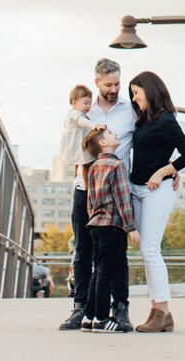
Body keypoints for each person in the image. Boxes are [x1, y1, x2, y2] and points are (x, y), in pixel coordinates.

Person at [59, 57, 137, 332]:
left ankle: (120, 308)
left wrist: (169, 170)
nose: (114, 88)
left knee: (117, 254)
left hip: (116, 191)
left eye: (117, 83)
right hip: (85, 189)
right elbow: (69, 143)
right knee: (82, 250)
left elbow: (148, 142)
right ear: (97, 82)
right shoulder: (83, 111)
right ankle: (81, 307)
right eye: (108, 84)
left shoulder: (130, 110)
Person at [127, 70, 185, 333]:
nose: (134, 98)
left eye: (136, 92)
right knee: (146, 250)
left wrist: (164, 171)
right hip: (137, 189)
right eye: (132, 94)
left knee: (151, 248)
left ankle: (163, 310)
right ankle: (157, 311)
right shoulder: (142, 121)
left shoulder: (167, 120)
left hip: (158, 189)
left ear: (150, 90)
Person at [80, 127, 136, 332]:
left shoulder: (94, 166)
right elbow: (122, 198)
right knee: (106, 272)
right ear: (103, 143)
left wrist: (92, 218)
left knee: (98, 271)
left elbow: (90, 199)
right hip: (112, 225)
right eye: (112, 134)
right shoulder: (117, 165)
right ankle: (102, 318)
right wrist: (130, 227)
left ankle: (89, 316)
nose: (116, 135)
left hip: (95, 224)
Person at [58, 83, 103, 185]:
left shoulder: (75, 114)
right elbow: (82, 121)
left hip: (76, 144)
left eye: (90, 103)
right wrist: (94, 126)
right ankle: (87, 185)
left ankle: (77, 178)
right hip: (77, 144)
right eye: (85, 103)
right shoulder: (76, 114)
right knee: (86, 163)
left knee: (80, 162)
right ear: (74, 103)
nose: (88, 106)